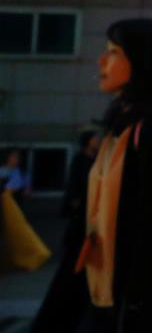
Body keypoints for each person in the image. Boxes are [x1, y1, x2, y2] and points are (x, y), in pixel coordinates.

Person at [33, 18, 152, 332]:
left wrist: (135, 299)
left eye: (114, 52)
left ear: (143, 61)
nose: (101, 60)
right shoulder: (121, 120)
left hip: (136, 300)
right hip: (97, 280)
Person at [31, 127, 101, 329]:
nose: (97, 141)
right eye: (94, 138)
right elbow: (76, 188)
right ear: (88, 142)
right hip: (81, 221)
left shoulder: (93, 161)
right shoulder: (81, 161)